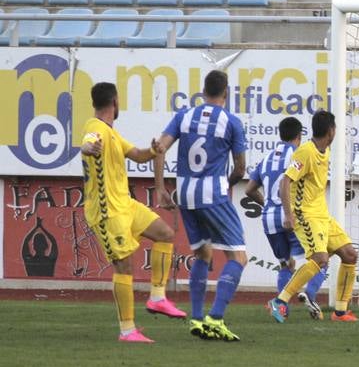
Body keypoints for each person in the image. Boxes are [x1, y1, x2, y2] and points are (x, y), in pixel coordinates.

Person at [80, 82, 185, 343]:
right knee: (124, 266)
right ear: (114, 102)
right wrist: (87, 148)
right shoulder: (95, 129)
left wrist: (153, 151)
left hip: (125, 204)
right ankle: (127, 330)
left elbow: (137, 155)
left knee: (165, 234)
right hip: (107, 212)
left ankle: (158, 297)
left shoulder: (111, 133)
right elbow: (88, 142)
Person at [151, 69, 248, 341]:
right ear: (226, 93)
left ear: (203, 92)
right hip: (213, 194)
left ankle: (195, 318)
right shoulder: (231, 122)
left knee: (204, 255)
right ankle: (215, 318)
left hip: (185, 195)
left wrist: (160, 188)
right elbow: (240, 168)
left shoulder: (184, 116)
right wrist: (227, 183)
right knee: (238, 257)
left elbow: (159, 147)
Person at [270, 110, 359, 322]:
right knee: (319, 259)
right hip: (305, 215)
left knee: (350, 255)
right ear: (331, 131)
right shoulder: (305, 152)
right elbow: (285, 182)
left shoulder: (324, 150)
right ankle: (280, 301)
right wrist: (289, 214)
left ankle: (340, 312)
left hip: (322, 215)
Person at [244, 117, 327, 321]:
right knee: (319, 260)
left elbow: (249, 189)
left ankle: (281, 310)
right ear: (299, 136)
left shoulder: (267, 158)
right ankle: (310, 295)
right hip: (293, 215)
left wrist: (268, 205)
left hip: (270, 218)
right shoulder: (300, 154)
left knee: (286, 265)